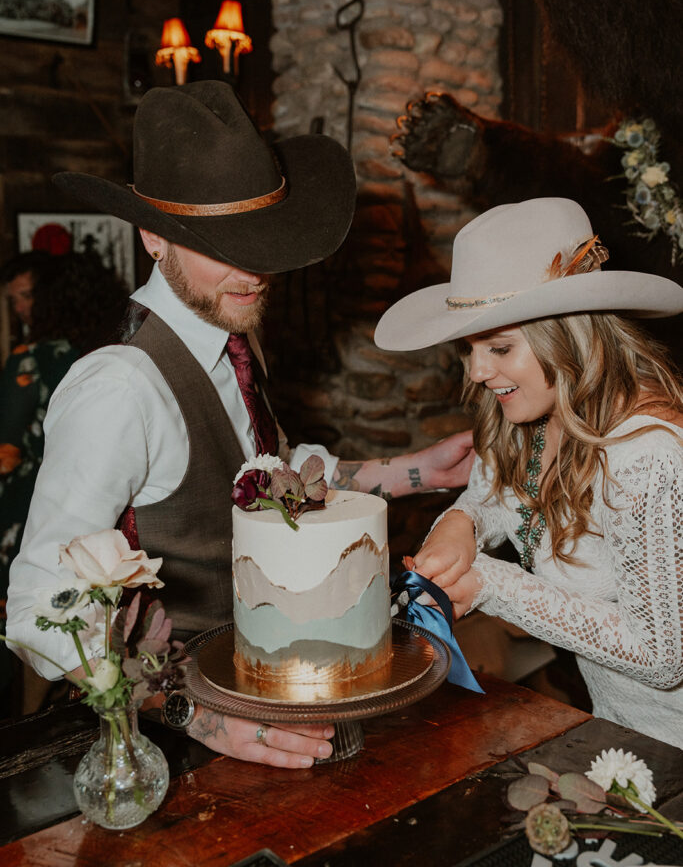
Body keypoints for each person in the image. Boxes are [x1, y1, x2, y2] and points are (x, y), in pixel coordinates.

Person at [6, 80, 474, 768]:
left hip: (267, 690)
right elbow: (37, 607)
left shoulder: (229, 332)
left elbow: (264, 470)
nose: (254, 269)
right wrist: (192, 716)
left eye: (262, 239)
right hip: (168, 740)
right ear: (154, 236)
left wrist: (407, 474)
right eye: (221, 243)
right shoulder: (118, 388)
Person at [374, 196, 683, 747]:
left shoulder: (648, 456)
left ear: (568, 334)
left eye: (499, 346)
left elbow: (661, 655)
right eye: (469, 347)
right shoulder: (534, 410)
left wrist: (492, 583)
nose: (477, 371)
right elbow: (491, 493)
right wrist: (461, 522)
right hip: (616, 728)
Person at [1, 251, 128, 714]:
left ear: (50, 299)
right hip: (97, 508)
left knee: (36, 620)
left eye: (27, 298)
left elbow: (6, 447)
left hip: (27, 508)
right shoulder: (107, 355)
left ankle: (27, 724)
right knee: (81, 618)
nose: (21, 310)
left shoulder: (29, 360)